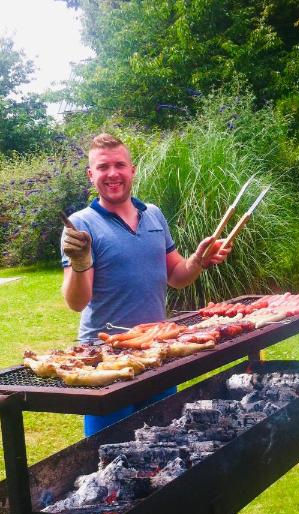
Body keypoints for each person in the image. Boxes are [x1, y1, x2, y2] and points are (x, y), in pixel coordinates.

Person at [61, 133, 231, 434]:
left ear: (132, 170)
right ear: (90, 175)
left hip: (158, 351)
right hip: (105, 357)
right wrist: (79, 263)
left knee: (164, 440)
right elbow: (77, 302)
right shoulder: (80, 225)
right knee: (108, 446)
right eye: (103, 167)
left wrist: (198, 260)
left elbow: (176, 275)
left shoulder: (153, 214)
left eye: (119, 165)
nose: (112, 173)